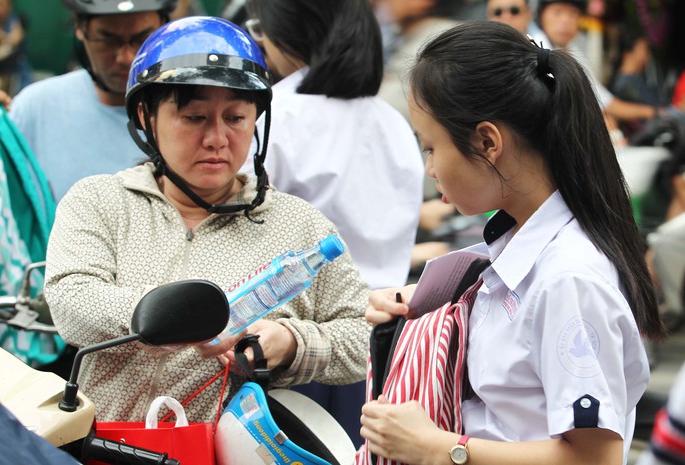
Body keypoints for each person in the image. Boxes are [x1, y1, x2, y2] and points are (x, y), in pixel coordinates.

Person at [359, 21, 664, 465]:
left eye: (430, 147)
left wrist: (437, 448)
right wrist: (416, 304)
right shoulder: (520, 242)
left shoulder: (568, 279)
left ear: (487, 141)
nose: (429, 168)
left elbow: (594, 458)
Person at [44, 16, 371, 424]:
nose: (217, 138)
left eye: (235, 118)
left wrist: (292, 342)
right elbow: (70, 298)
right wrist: (183, 316)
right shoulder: (100, 200)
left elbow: (363, 337)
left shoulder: (300, 226)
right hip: (100, 445)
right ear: (147, 117)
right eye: (195, 118)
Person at [243, 0, 423, 446]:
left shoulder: (276, 117)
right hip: (380, 337)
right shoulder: (391, 121)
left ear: (289, 35)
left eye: (259, 31)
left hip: (294, 345)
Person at [9, 0, 176, 201]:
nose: (125, 57)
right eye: (108, 40)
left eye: (142, 39)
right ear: (80, 28)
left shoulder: (196, 114)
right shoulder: (34, 108)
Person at [534, 0, 661, 125]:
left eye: (573, 14)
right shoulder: (532, 50)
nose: (566, 20)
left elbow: (601, 99)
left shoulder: (574, 52)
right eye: (557, 12)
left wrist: (654, 112)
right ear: (541, 16)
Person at [0, 0, 31, 94]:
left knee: (24, 92)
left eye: (2, 4)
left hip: (16, 67)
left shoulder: (16, 21)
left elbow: (13, 40)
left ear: (9, 6)